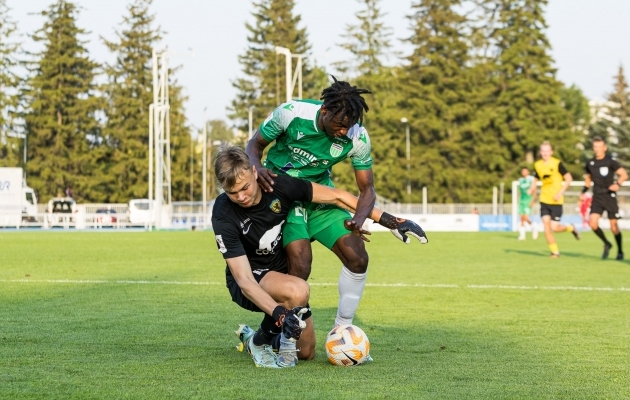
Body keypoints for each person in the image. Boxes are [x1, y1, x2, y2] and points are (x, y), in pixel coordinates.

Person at [211, 146, 427, 368]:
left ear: (255, 173)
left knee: (306, 352)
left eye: (245, 187)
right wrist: (281, 314)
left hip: (282, 278)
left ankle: (254, 339)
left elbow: (337, 197)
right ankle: (260, 345)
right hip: (250, 281)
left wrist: (390, 220)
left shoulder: (278, 186)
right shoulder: (223, 212)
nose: (241, 197)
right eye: (233, 193)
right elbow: (244, 280)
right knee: (298, 290)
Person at [246, 76, 385, 329]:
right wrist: (257, 168)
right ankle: (276, 332)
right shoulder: (291, 114)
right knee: (300, 264)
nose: (343, 131)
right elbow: (254, 144)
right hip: (282, 196)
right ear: (324, 111)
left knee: (358, 258)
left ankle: (343, 329)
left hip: (320, 197)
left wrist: (359, 219)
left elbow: (367, 190)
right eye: (339, 124)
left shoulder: (358, 137)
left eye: (349, 125)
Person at [580, 136, 628, 259]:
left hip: (609, 196)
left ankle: (620, 251)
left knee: (614, 226)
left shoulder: (610, 161)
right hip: (597, 197)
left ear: (604, 148)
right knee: (592, 223)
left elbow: (623, 174)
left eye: (600, 147)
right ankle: (607, 243)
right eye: (595, 147)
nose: (597, 149)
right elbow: (588, 178)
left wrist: (617, 184)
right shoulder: (590, 163)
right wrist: (583, 191)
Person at [529, 141, 580, 258]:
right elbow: (536, 177)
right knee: (546, 226)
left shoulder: (557, 163)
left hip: (556, 201)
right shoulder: (538, 165)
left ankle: (571, 228)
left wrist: (560, 192)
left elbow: (569, 178)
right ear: (540, 152)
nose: (545, 153)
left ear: (551, 152)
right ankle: (555, 252)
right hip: (544, 200)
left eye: (547, 151)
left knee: (555, 228)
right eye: (543, 151)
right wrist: (532, 187)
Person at [517, 167, 538, 240]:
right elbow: (520, 191)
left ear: (528, 172)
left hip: (528, 200)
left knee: (525, 217)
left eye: (525, 171)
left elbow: (535, 190)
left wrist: (533, 200)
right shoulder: (520, 180)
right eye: (523, 171)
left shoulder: (531, 179)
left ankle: (533, 228)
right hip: (522, 201)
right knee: (522, 218)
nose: (524, 172)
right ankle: (524, 234)